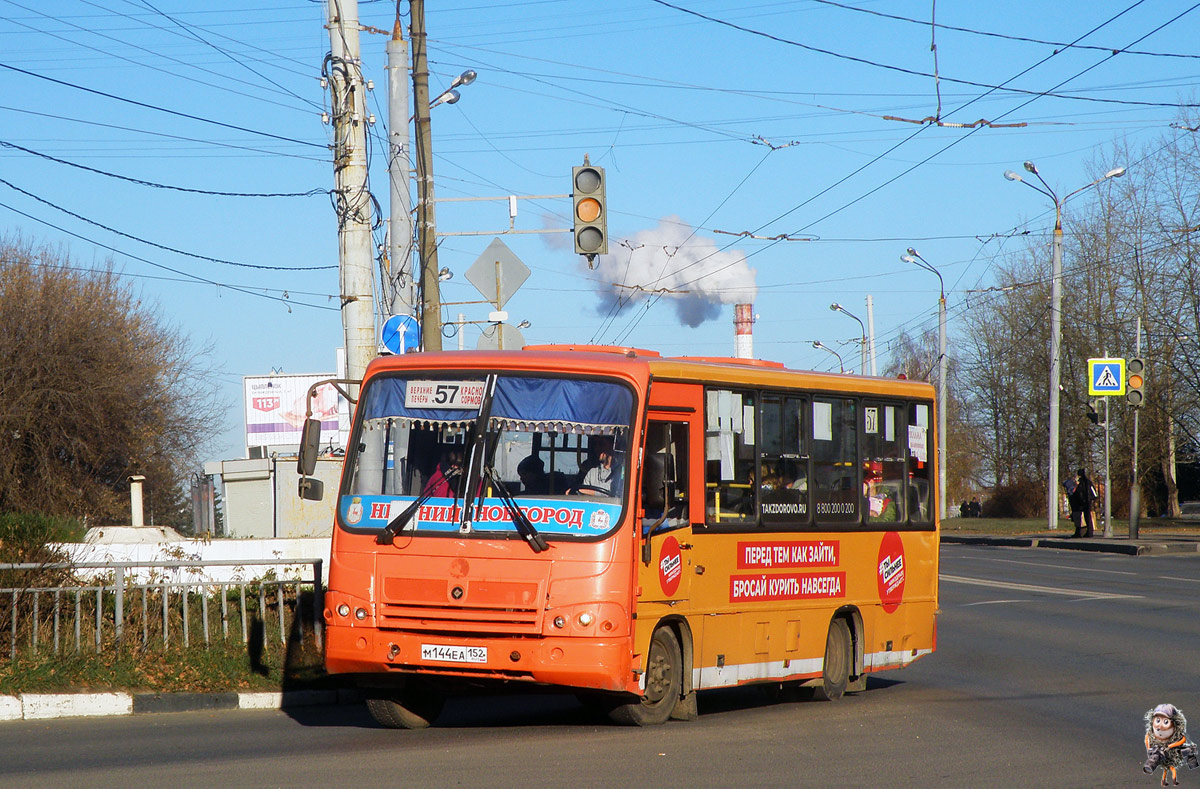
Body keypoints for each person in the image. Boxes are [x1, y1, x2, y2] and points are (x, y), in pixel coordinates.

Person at [1068, 467, 1097, 537]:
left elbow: (1075, 493)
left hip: (1080, 503)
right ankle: (1089, 532)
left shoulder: (1079, 483)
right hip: (1088, 502)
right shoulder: (1088, 482)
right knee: (1087, 517)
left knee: (1079, 517)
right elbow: (1094, 493)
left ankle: (1079, 532)